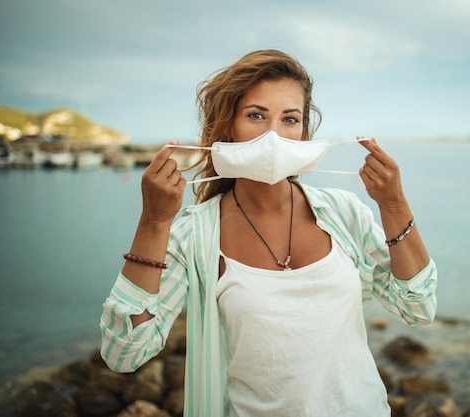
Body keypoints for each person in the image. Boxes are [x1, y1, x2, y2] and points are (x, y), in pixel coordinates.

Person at [100, 49, 437, 417]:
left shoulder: (343, 213)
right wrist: (154, 221)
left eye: (289, 119)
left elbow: (417, 307)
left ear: (304, 131)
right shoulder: (194, 234)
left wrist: (394, 205)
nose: (274, 135)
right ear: (228, 126)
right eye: (256, 115)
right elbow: (124, 354)